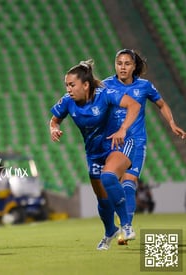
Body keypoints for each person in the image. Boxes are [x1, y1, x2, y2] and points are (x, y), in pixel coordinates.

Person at [49, 59, 141, 250]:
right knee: (103, 200)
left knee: (108, 176)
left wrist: (123, 128)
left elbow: (134, 105)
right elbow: (54, 120)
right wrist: (53, 128)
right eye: (66, 85)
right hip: (94, 152)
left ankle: (126, 225)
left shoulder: (104, 94)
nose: (68, 89)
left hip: (119, 143)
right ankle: (110, 232)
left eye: (72, 85)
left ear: (86, 84)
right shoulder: (67, 102)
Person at [102, 49, 186, 244]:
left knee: (129, 185)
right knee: (114, 185)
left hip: (137, 141)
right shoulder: (106, 85)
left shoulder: (144, 86)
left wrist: (172, 123)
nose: (122, 67)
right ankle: (122, 220)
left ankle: (126, 228)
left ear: (134, 66)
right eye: (119, 63)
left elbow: (162, 105)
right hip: (115, 143)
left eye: (127, 63)